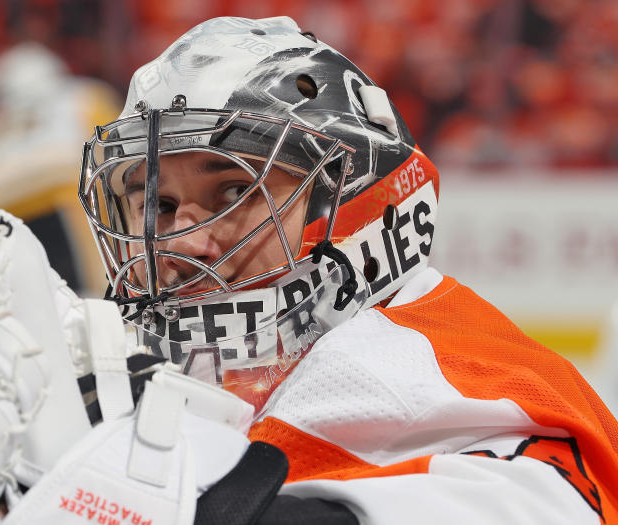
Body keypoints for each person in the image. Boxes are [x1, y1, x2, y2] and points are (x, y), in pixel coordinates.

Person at [77, 16, 618, 524]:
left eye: (237, 190)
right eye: (160, 206)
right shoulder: (219, 363)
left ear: (356, 204)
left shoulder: (432, 371)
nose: (182, 242)